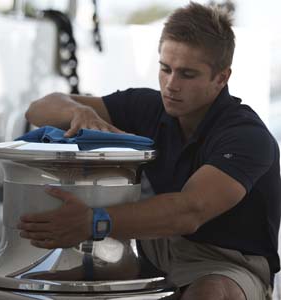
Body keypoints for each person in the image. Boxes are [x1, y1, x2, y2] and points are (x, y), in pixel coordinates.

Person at [17, 2, 280, 300]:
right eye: (165, 69)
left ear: (221, 77)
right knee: (39, 284)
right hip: (157, 244)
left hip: (225, 260)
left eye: (187, 74)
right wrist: (80, 112)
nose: (171, 85)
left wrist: (92, 222)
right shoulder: (148, 107)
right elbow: (39, 109)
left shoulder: (247, 136)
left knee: (210, 293)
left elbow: (189, 210)